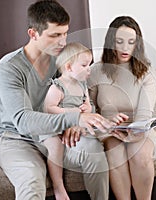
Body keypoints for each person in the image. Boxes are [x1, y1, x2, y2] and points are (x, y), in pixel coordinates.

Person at [0, 1, 112, 200]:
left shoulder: (60, 61)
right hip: (18, 140)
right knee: (31, 181)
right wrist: (75, 119)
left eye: (65, 33)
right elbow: (23, 121)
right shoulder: (9, 67)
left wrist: (77, 121)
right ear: (33, 34)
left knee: (94, 153)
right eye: (55, 35)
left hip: (58, 135)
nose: (63, 42)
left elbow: (76, 96)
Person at [88, 16, 156, 200]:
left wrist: (134, 131)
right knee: (115, 153)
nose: (124, 48)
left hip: (139, 129)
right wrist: (105, 122)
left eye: (131, 42)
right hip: (109, 130)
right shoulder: (96, 70)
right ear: (110, 42)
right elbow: (88, 108)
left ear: (137, 44)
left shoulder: (146, 71)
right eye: (119, 41)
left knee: (139, 154)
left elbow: (145, 114)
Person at [41, 42, 93, 200]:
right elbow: (49, 108)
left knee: (95, 132)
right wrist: (73, 111)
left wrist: (86, 108)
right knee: (55, 146)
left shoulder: (83, 85)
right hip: (57, 126)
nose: (89, 68)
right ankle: (58, 187)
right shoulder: (57, 87)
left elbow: (88, 105)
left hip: (76, 125)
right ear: (69, 67)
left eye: (90, 64)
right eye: (84, 65)